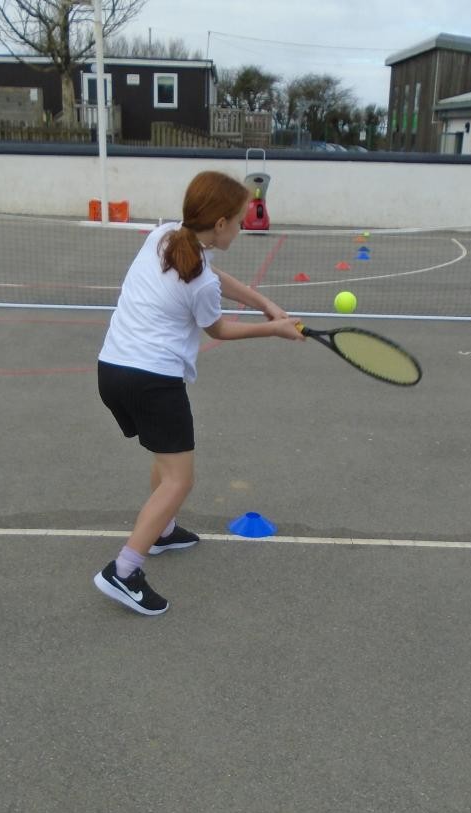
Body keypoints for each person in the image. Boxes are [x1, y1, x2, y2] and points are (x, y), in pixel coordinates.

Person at [94, 170, 304, 616]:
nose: (243, 226)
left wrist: (265, 303)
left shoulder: (166, 236)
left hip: (112, 370)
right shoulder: (200, 282)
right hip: (153, 381)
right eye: (240, 220)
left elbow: (214, 273)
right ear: (221, 223)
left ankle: (162, 531)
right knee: (180, 479)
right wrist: (275, 329)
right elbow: (219, 329)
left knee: (165, 457)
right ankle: (124, 571)